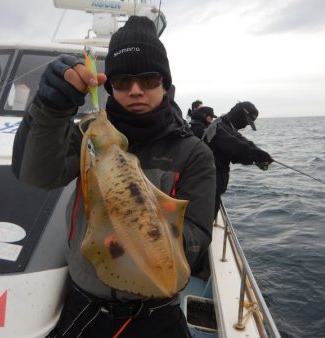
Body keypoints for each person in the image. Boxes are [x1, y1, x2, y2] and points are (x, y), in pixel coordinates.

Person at [11, 16, 215, 338]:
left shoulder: (193, 153)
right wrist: (51, 107)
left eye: (149, 80)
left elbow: (196, 239)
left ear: (166, 85)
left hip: (157, 313)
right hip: (85, 306)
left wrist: (131, 218)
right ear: (109, 87)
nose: (135, 90)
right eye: (122, 82)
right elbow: (36, 174)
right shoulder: (87, 139)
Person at [203, 101, 273, 216]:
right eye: (246, 121)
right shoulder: (219, 128)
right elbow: (235, 147)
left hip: (212, 188)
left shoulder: (224, 125)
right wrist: (257, 155)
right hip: (205, 188)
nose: (246, 125)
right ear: (239, 114)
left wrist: (259, 152)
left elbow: (240, 139)